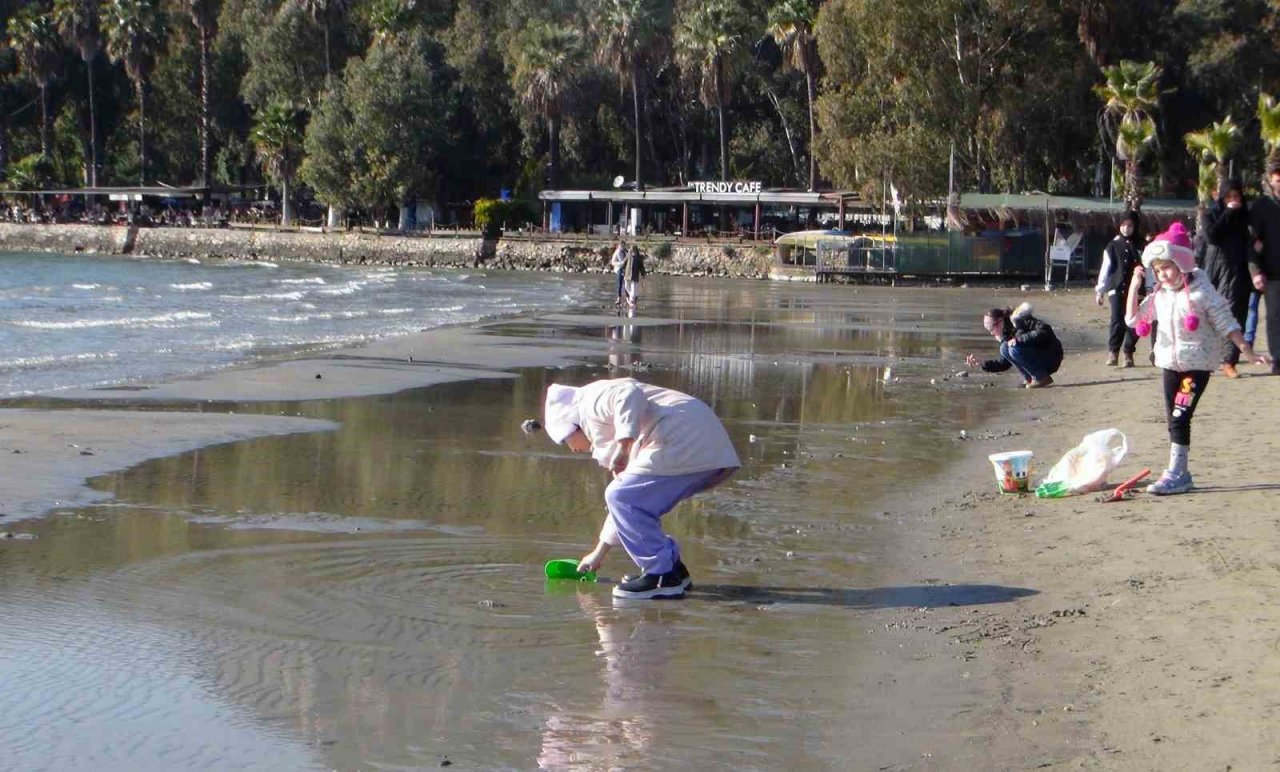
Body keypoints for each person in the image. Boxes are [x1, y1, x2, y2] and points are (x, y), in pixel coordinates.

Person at [542, 378, 740, 599]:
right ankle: (674, 571)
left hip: (682, 438)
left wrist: (623, 445)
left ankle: (661, 576)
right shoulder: (614, 430)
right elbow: (624, 509)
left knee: (621, 496)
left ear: (573, 426)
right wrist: (598, 554)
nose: (572, 449)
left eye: (566, 441)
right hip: (700, 443)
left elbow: (628, 394)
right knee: (626, 497)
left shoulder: (591, 401)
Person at [1124, 223, 1270, 495]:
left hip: (1197, 367)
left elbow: (1227, 323)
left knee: (1180, 415)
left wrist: (1248, 352)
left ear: (1182, 262)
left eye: (1166, 267)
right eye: (1157, 270)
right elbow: (1134, 319)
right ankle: (1182, 473)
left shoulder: (1203, 293)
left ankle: (1176, 473)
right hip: (1169, 364)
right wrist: (1135, 285)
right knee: (1173, 419)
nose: (1162, 275)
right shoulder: (1160, 295)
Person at [1202, 178, 1253, 378]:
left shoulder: (1246, 217)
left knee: (1235, 314)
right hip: (1215, 269)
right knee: (1209, 314)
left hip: (1238, 271)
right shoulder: (1211, 214)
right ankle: (1208, 356)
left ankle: (1229, 361)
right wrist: (1228, 213)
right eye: (1229, 197)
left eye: (1236, 197)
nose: (1233, 201)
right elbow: (1211, 236)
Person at [964, 303, 1064, 388]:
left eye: (991, 329)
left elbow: (1045, 330)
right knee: (1004, 348)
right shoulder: (1006, 334)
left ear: (999, 322)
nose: (991, 333)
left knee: (1011, 348)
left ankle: (1041, 378)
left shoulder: (1020, 319)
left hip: (1051, 355)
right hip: (1039, 357)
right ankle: (1030, 379)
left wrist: (1019, 339)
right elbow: (1005, 363)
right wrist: (982, 363)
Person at [1094, 210, 1143, 367]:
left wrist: (1150, 287)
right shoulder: (1113, 246)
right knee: (1117, 320)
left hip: (1137, 291)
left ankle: (1128, 353)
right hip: (1116, 289)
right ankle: (1113, 352)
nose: (1126, 228)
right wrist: (1100, 290)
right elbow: (1105, 269)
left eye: (1130, 225)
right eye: (1123, 225)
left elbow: (1148, 267)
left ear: (1135, 226)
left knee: (1134, 323)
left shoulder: (1142, 245)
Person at [1248, 164, 1280, 374]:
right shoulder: (1262, 206)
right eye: (1278, 181)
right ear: (1270, 181)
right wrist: (1255, 270)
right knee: (1275, 316)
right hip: (1273, 271)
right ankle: (1277, 358)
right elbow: (1251, 241)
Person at [610, 241, 628, 308]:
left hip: (625, 269)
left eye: (623, 245)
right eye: (621, 245)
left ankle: (626, 299)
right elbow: (613, 262)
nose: (622, 247)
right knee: (620, 284)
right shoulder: (617, 252)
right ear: (619, 245)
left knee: (625, 284)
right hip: (619, 269)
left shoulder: (625, 251)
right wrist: (621, 263)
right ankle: (619, 298)